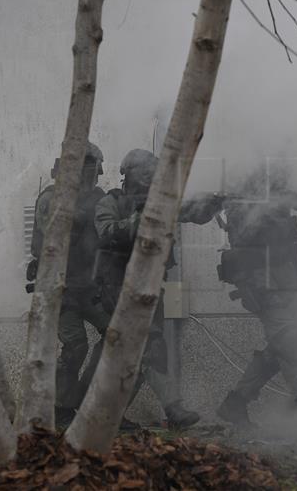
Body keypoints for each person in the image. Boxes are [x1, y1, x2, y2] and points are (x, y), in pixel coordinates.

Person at [89, 148, 223, 429]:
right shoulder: (111, 202)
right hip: (117, 286)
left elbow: (191, 213)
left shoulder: (161, 204)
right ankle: (168, 410)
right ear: (130, 174)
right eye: (145, 172)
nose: (151, 177)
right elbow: (107, 233)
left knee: (141, 351)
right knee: (147, 345)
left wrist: (211, 205)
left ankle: (110, 415)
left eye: (154, 172)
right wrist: (147, 219)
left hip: (150, 285)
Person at [215, 164, 297, 429]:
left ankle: (236, 403)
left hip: (285, 279)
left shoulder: (276, 196)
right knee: (288, 341)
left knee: (280, 346)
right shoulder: (241, 201)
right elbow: (245, 238)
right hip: (262, 282)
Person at [26, 142, 110, 428]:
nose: (95, 177)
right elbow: (51, 237)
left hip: (89, 287)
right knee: (75, 346)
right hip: (59, 289)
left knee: (116, 336)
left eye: (96, 172)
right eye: (91, 171)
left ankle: (86, 398)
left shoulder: (98, 198)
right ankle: (61, 408)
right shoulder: (51, 198)